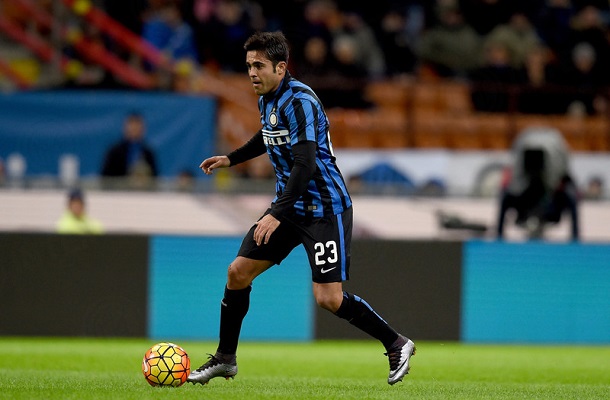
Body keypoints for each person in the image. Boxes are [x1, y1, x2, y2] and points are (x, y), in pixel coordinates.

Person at [187, 31, 415, 386]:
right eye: (249, 66)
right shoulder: (268, 99)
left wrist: (275, 213)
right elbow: (268, 135)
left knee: (328, 298)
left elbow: (305, 164)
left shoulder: (301, 101)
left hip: (325, 209)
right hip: (290, 207)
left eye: (259, 66)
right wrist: (232, 158)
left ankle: (397, 343)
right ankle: (225, 358)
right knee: (238, 273)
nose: (252, 73)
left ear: (281, 67)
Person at [100, 112, 158, 189]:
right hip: (118, 192)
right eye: (132, 126)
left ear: (143, 129)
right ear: (125, 128)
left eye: (137, 126)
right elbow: (105, 178)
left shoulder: (148, 153)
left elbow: (155, 179)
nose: (134, 129)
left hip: (143, 193)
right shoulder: (114, 152)